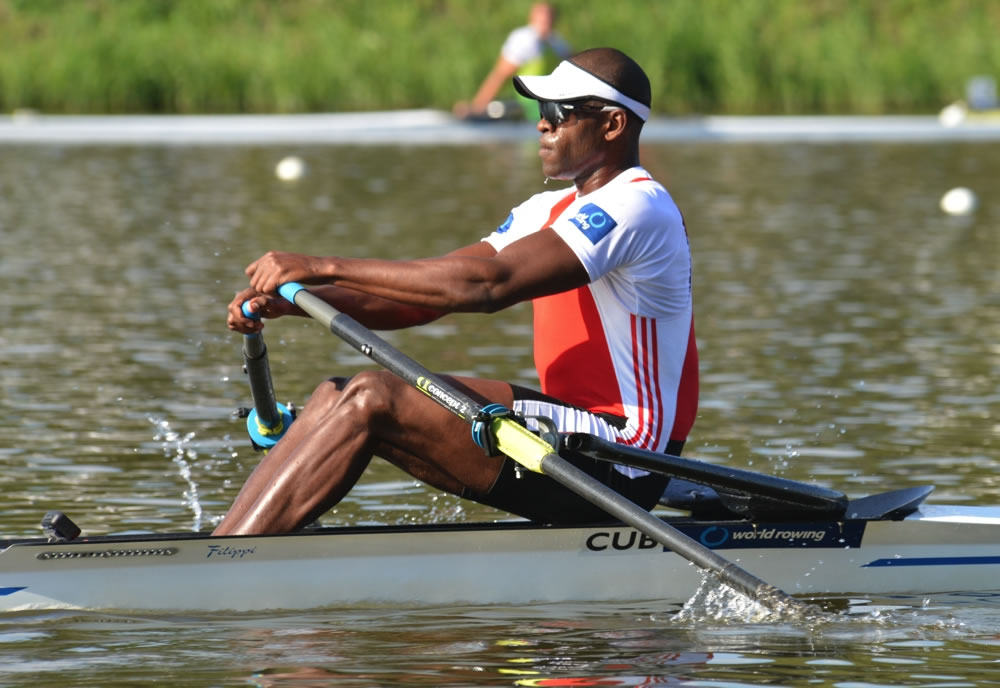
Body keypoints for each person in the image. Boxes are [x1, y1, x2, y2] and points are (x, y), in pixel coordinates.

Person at [213, 47, 698, 536]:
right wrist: (298, 299)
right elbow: (421, 297)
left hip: (627, 455)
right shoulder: (547, 209)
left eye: (558, 113)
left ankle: (222, 570)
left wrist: (323, 265)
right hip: (573, 438)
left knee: (371, 397)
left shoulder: (637, 205)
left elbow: (487, 286)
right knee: (332, 394)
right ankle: (222, 547)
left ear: (612, 125)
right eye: (540, 112)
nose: (541, 125)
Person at [453, 2, 571, 119]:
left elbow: (575, 66)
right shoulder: (524, 41)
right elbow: (499, 76)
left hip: (548, 102)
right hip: (530, 104)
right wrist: (477, 108)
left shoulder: (556, 42)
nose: (546, 24)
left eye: (549, 19)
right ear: (532, 18)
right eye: (542, 19)